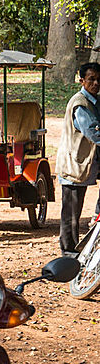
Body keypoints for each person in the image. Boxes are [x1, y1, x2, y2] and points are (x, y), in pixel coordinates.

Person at [57, 62, 100, 257]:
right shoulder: (80, 104)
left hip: (89, 162)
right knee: (71, 214)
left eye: (98, 79)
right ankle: (69, 252)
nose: (96, 83)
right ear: (81, 80)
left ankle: (95, 220)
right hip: (75, 164)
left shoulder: (95, 101)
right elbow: (93, 133)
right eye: (91, 79)